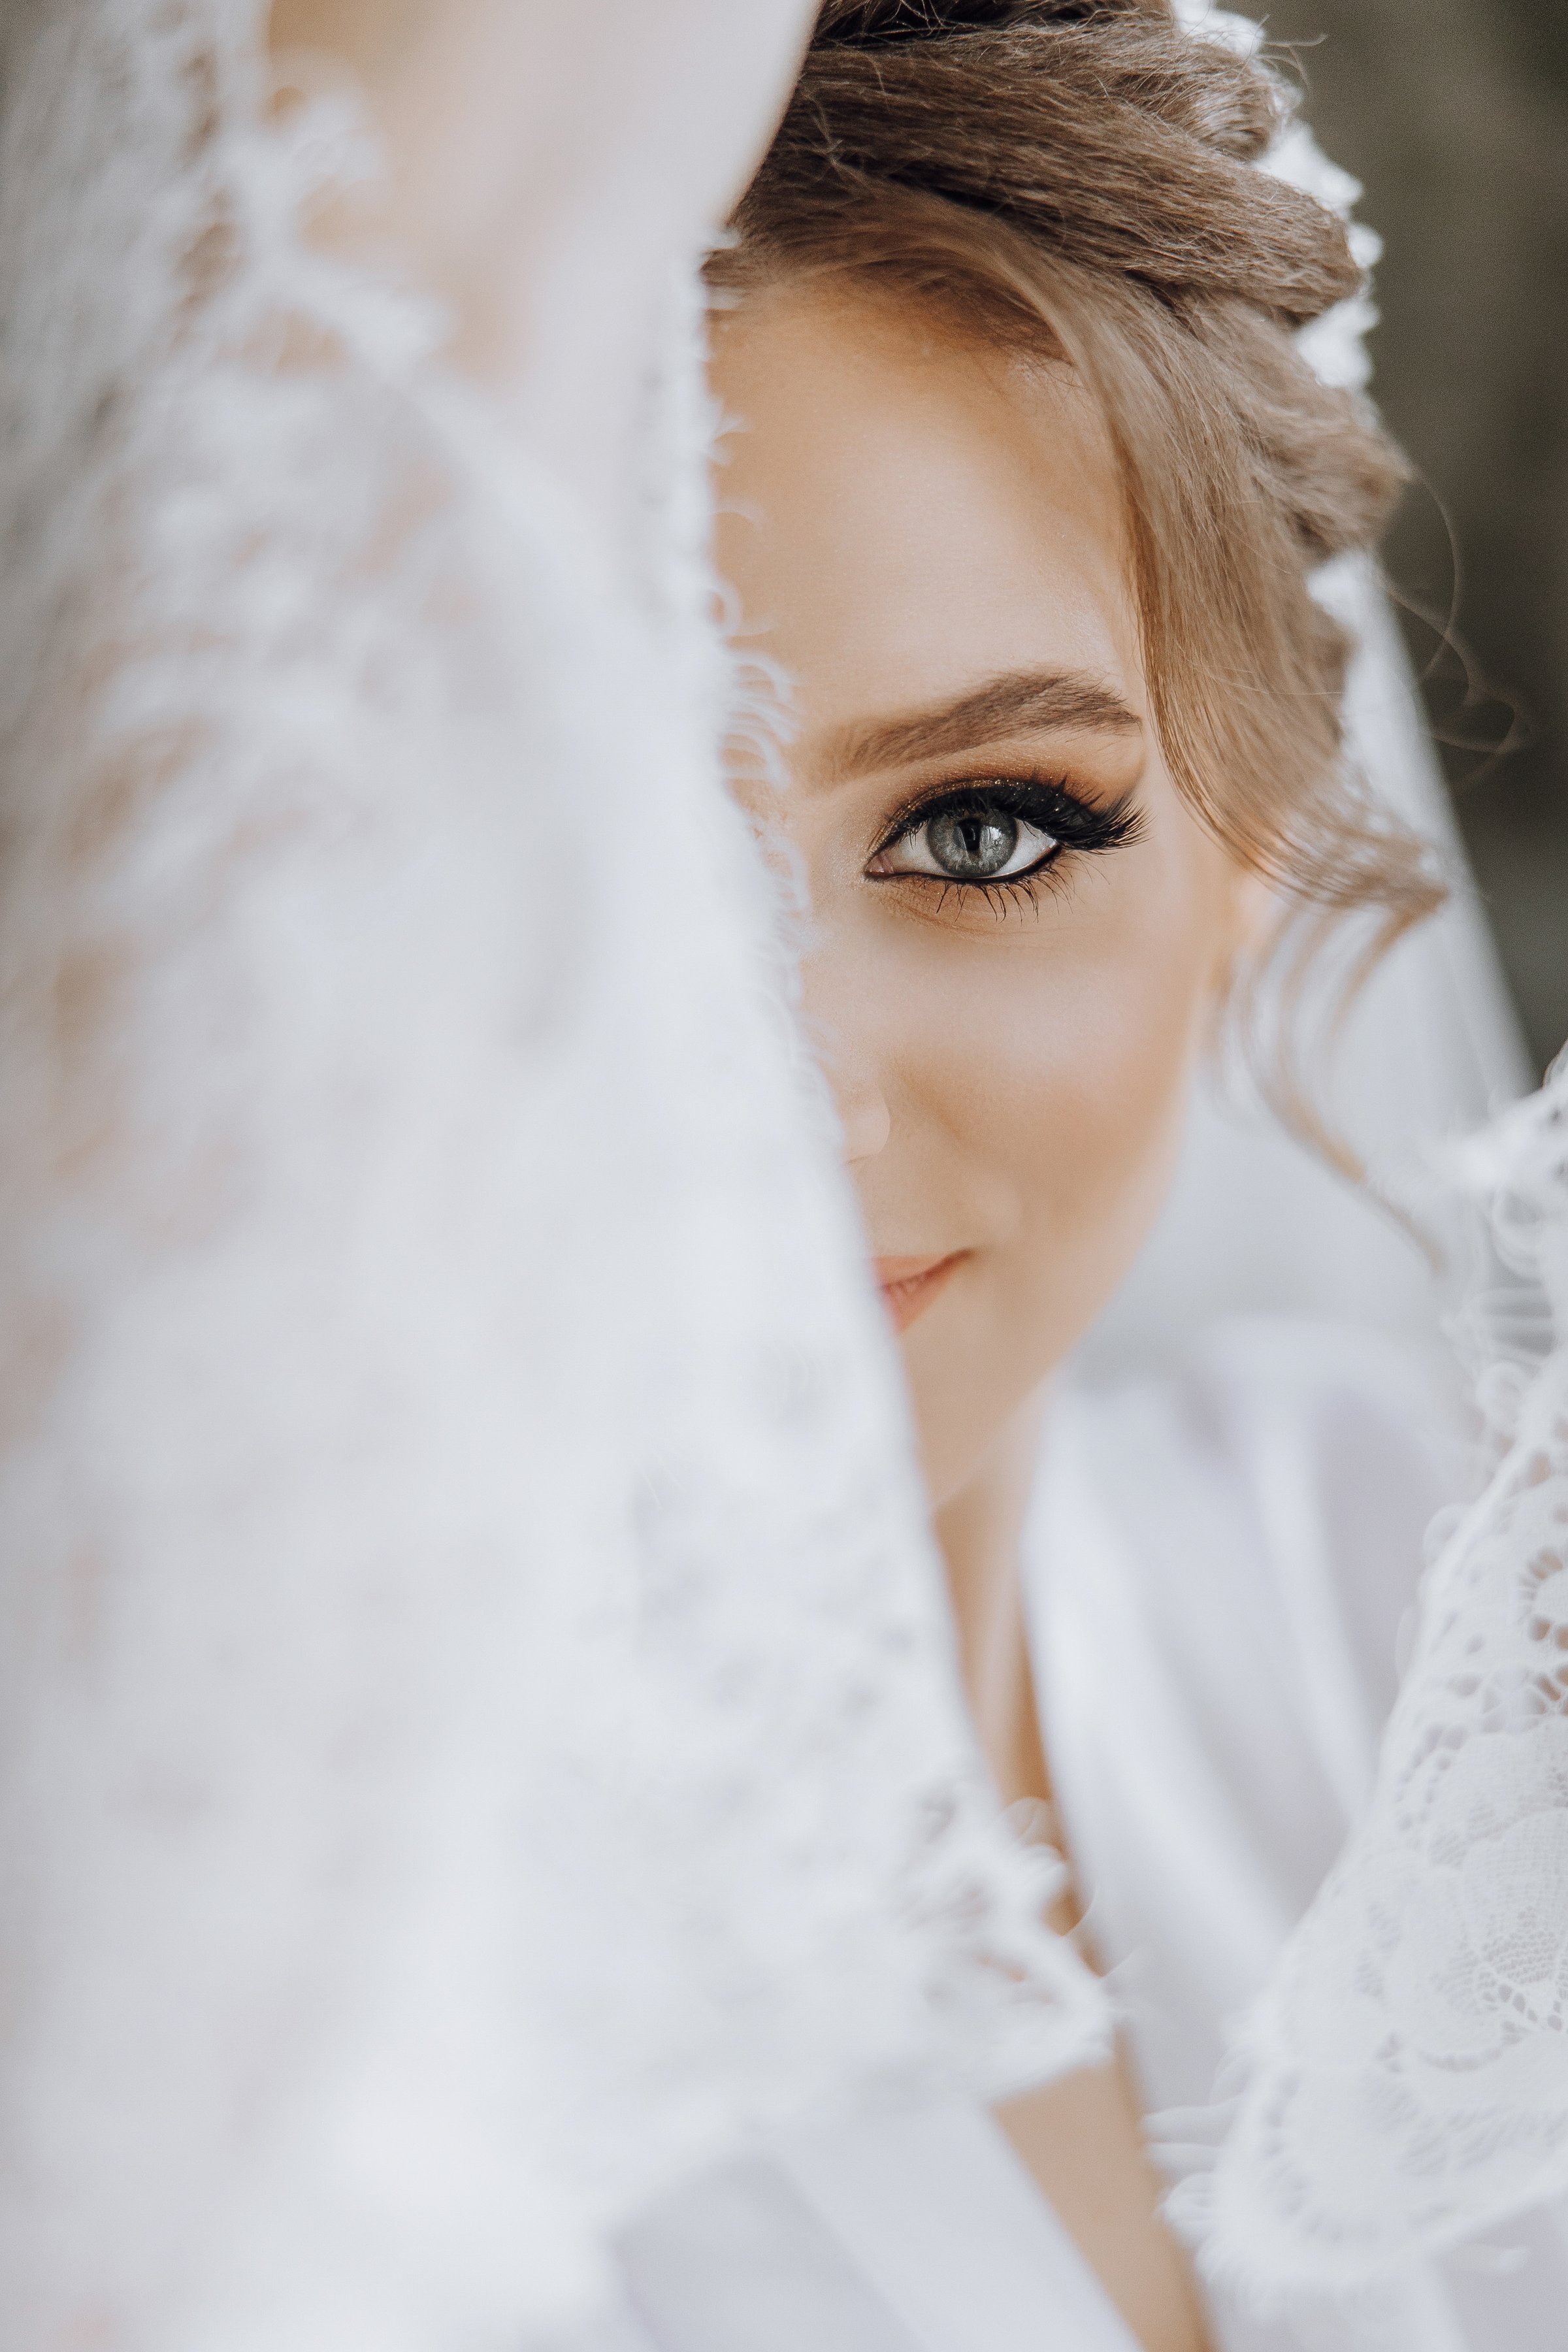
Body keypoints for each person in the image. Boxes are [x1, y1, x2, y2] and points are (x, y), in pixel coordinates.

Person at [645, 4, 1565, 2346]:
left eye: (984, 831)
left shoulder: (1431, 1588)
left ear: (1255, 852)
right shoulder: (158, 2031)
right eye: (599, 871)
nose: (807, 1101)